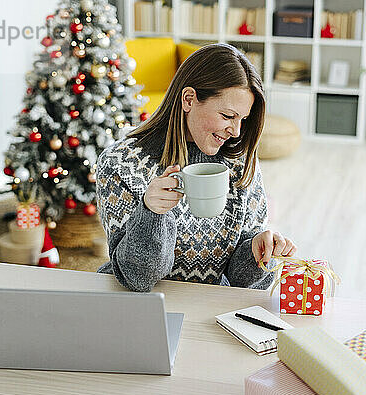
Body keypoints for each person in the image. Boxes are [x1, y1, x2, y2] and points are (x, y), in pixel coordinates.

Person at [96, 43, 297, 292]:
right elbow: (137, 278)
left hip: (209, 306)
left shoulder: (240, 162)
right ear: (189, 99)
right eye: (227, 116)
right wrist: (151, 213)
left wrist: (258, 250)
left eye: (242, 120)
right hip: (138, 306)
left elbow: (241, 280)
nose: (235, 132)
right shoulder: (121, 163)